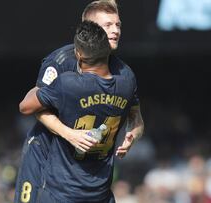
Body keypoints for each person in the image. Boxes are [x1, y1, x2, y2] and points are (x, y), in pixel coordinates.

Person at [14, 0, 144, 202]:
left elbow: (136, 119)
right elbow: (35, 107)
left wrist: (133, 136)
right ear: (89, 28)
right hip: (47, 156)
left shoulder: (124, 74)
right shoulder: (61, 61)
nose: (115, 30)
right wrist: (69, 134)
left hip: (91, 171)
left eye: (118, 25)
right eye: (107, 25)